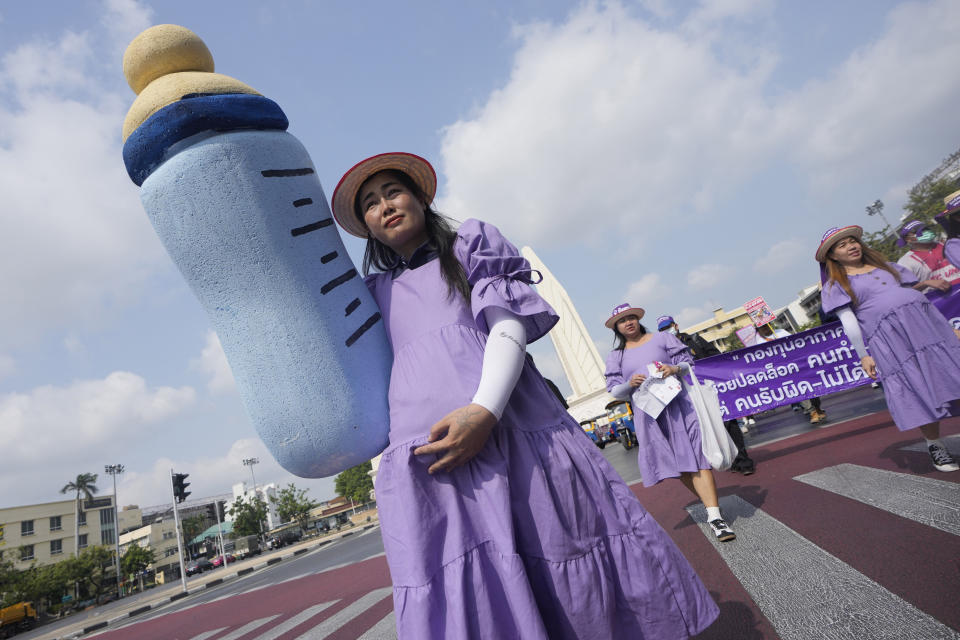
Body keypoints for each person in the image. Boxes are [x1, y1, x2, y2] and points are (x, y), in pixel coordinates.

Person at [330, 152, 718, 639]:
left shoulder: (470, 246)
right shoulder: (371, 293)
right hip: (429, 458)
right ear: (364, 227)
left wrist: (484, 412)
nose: (384, 205)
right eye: (369, 203)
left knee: (559, 554)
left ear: (420, 197)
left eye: (392, 191)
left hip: (512, 429)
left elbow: (506, 327)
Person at [817, 225, 960, 472]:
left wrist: (945, 323)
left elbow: (905, 293)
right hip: (893, 342)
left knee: (951, 375)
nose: (851, 246)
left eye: (853, 241)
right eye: (842, 245)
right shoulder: (836, 285)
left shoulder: (888, 266)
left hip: (927, 330)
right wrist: (863, 354)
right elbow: (849, 321)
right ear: (832, 256)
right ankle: (934, 444)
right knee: (918, 388)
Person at [604, 305, 737, 542]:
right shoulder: (616, 356)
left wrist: (674, 368)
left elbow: (688, 364)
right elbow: (615, 390)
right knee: (680, 466)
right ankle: (710, 506)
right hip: (649, 416)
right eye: (622, 321)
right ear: (616, 327)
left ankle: (715, 516)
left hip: (680, 407)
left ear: (638, 319)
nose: (628, 322)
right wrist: (630, 384)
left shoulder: (663, 338)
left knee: (698, 459)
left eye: (631, 317)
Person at [656, 315, 756, 474]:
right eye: (661, 330)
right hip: (689, 395)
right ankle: (726, 459)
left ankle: (743, 461)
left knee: (728, 422)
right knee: (706, 429)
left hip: (710, 387)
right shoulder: (663, 351)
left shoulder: (694, 339)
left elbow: (716, 357)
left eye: (667, 327)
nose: (665, 331)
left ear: (675, 325)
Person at [894, 220, 958, 289]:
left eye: (926, 229)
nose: (926, 232)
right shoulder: (905, 262)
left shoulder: (949, 245)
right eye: (920, 231)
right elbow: (906, 291)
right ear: (908, 239)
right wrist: (926, 283)